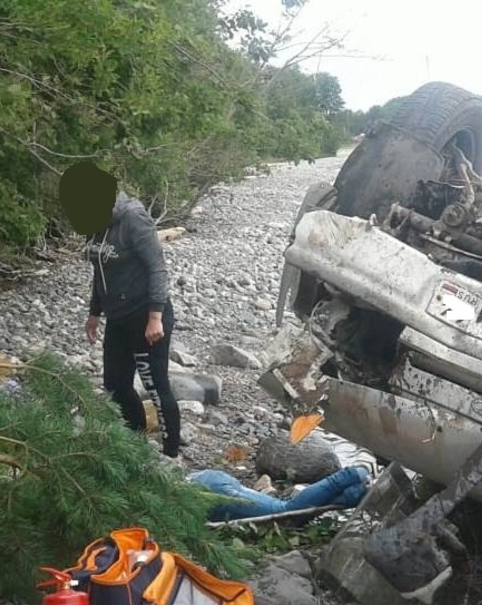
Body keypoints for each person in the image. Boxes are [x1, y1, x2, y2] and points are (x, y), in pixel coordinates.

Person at [58, 162, 181, 458]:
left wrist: (154, 317)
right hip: (117, 316)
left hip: (145, 315)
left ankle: (171, 454)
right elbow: (100, 270)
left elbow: (157, 269)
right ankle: (135, 444)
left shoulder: (133, 218)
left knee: (155, 385)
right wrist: (93, 312)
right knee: (115, 384)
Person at [188, 465, 371, 522]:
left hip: (207, 492)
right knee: (287, 515)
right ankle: (357, 494)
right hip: (207, 480)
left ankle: (350, 476)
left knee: (285, 514)